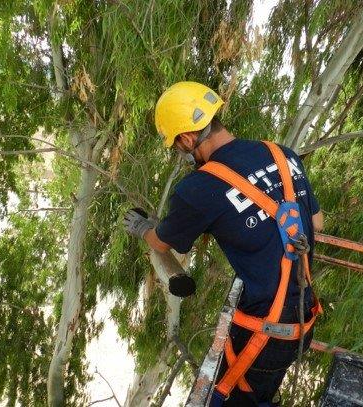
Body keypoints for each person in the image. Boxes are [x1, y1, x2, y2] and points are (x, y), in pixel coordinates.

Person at [123, 81, 324, 406]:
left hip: (264, 335)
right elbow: (315, 222)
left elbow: (162, 244)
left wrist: (144, 226)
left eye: (177, 146)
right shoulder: (282, 154)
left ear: (188, 138)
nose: (181, 154)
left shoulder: (199, 188)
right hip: (305, 315)